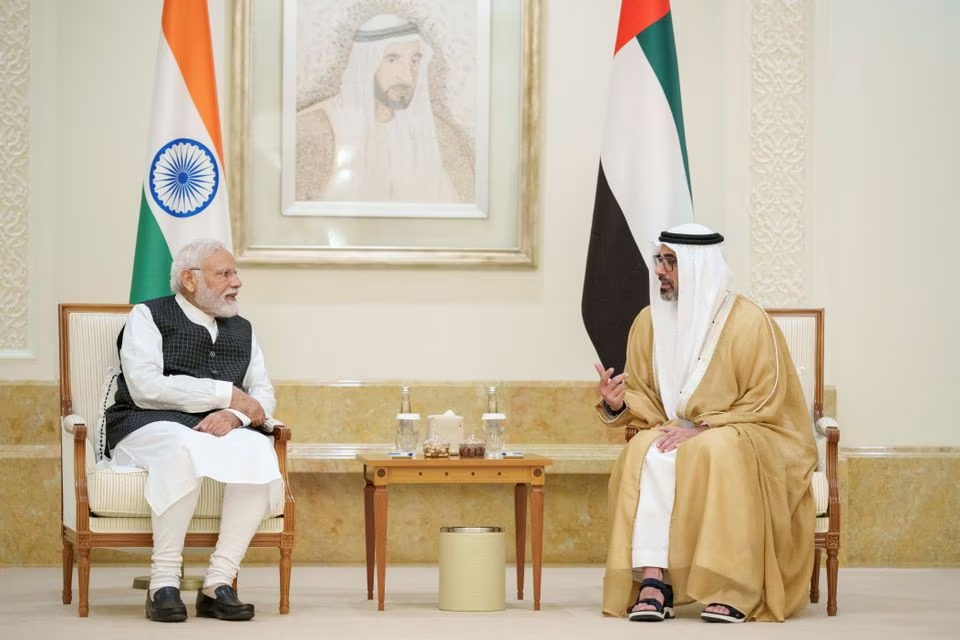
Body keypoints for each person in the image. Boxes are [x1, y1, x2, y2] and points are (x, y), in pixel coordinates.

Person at [593, 223, 817, 623]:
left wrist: (702, 428)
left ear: (699, 266)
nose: (660, 270)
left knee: (715, 449)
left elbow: (767, 398)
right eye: (658, 260)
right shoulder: (649, 322)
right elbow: (644, 393)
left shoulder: (749, 322)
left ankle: (730, 585)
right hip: (677, 430)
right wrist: (617, 402)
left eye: (670, 262)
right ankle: (654, 580)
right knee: (644, 451)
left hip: (748, 432)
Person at [104, 239, 282, 623]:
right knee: (182, 444)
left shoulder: (243, 329)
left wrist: (235, 416)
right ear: (189, 279)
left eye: (234, 272)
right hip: (143, 425)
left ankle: (218, 583)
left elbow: (263, 392)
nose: (237, 282)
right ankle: (163, 582)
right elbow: (145, 388)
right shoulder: (148, 315)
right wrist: (225, 394)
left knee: (257, 450)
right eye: (225, 273)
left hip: (216, 429)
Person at [296, 13, 471, 203]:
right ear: (367, 65)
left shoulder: (440, 135)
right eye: (392, 60)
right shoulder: (315, 130)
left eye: (414, 61)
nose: (407, 76)